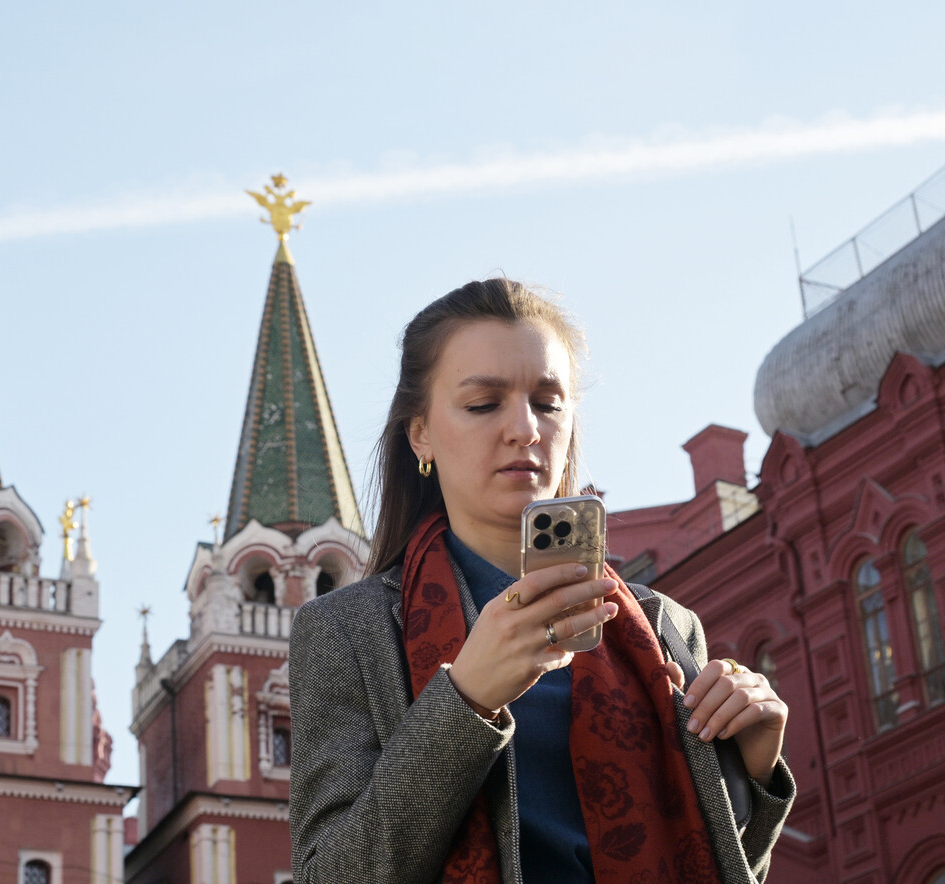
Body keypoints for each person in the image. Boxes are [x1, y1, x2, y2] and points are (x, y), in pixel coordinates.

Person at [288, 278, 794, 884]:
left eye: (548, 403)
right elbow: (329, 874)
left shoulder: (665, 624)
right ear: (420, 433)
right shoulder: (348, 630)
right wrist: (465, 701)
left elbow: (719, 866)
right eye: (483, 404)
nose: (525, 428)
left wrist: (756, 771)